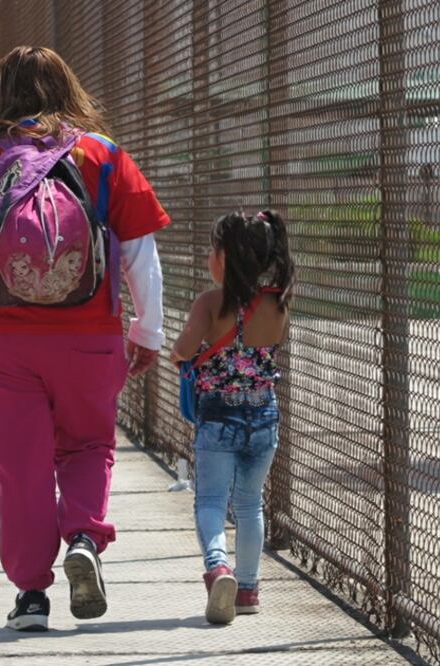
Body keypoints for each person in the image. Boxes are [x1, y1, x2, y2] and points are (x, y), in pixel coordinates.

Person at [0, 46, 168, 632]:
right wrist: (147, 329)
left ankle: (31, 595)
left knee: (21, 468)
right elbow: (141, 256)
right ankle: (83, 534)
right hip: (90, 337)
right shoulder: (102, 155)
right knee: (86, 446)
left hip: (2, 344)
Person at [170, 210, 294, 625]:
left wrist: (180, 350)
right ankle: (248, 589)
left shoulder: (209, 303)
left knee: (210, 500)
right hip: (263, 415)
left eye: (212, 249)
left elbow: (184, 350)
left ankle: (218, 567)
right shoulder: (277, 303)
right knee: (249, 504)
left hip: (218, 416)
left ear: (224, 258)